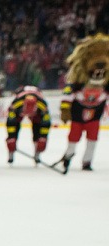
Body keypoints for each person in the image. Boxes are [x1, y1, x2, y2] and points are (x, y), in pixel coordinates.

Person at [57, 33, 109, 171]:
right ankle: (68, 156)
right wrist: (65, 110)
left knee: (93, 139)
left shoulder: (106, 85)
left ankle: (87, 161)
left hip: (95, 117)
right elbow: (67, 96)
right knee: (74, 137)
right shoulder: (77, 84)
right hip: (77, 115)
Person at [5, 85, 51, 165]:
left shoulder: (43, 107)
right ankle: (11, 153)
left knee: (37, 128)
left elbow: (46, 124)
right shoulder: (15, 105)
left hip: (37, 113)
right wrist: (11, 138)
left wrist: (43, 138)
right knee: (14, 126)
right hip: (20, 107)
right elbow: (10, 123)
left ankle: (37, 153)